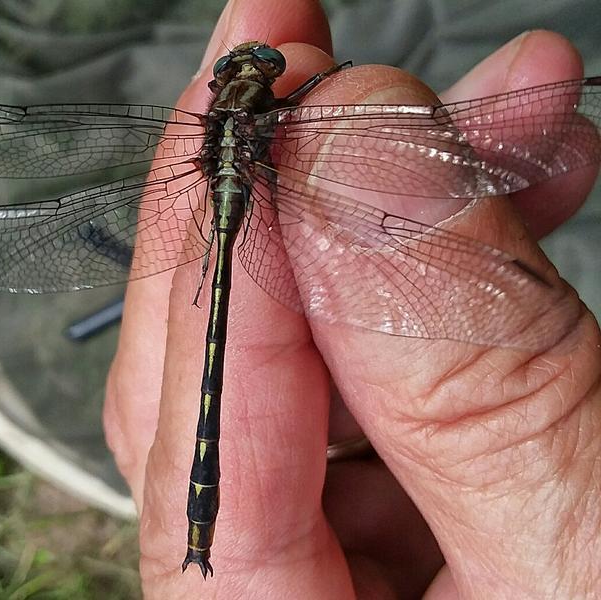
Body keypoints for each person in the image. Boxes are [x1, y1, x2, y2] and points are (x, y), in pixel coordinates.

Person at [104, 0, 601, 597]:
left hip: (228, 221)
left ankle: (198, 537)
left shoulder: (214, 130)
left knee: (217, 351)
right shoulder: (284, 117)